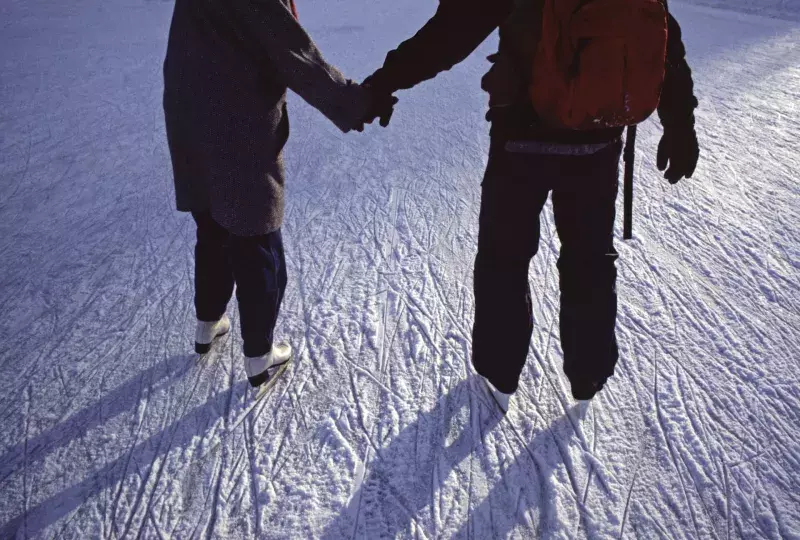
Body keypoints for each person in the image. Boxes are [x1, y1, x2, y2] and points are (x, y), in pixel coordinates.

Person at [363, 0, 700, 410]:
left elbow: (452, 31)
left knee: (504, 257)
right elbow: (663, 33)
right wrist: (680, 123)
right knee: (589, 259)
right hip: (597, 139)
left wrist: (385, 81)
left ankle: (500, 372)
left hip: (521, 136)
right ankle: (588, 374)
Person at [162, 0, 395, 387]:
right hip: (232, 119)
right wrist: (356, 103)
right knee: (256, 235)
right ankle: (259, 355)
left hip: (187, 109)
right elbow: (294, 54)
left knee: (213, 222)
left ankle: (208, 322)